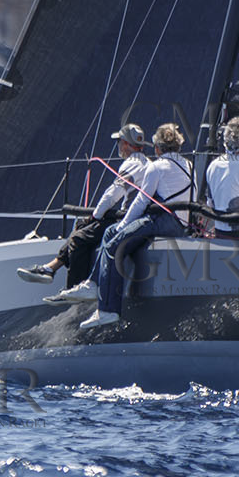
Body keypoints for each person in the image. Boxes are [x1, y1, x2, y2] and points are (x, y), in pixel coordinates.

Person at [76, 123, 194, 329]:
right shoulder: (189, 165)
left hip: (163, 222)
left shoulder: (155, 167)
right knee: (110, 231)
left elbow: (141, 201)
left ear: (157, 148)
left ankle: (108, 310)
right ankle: (93, 284)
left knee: (114, 245)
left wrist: (123, 225)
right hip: (181, 224)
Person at [18, 123, 150, 295]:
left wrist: (95, 216)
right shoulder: (146, 162)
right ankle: (50, 268)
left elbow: (113, 194)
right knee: (81, 225)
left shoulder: (132, 164)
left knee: (79, 238)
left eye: (118, 142)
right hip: (133, 216)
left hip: (128, 218)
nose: (118, 146)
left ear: (125, 143)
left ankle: (74, 289)